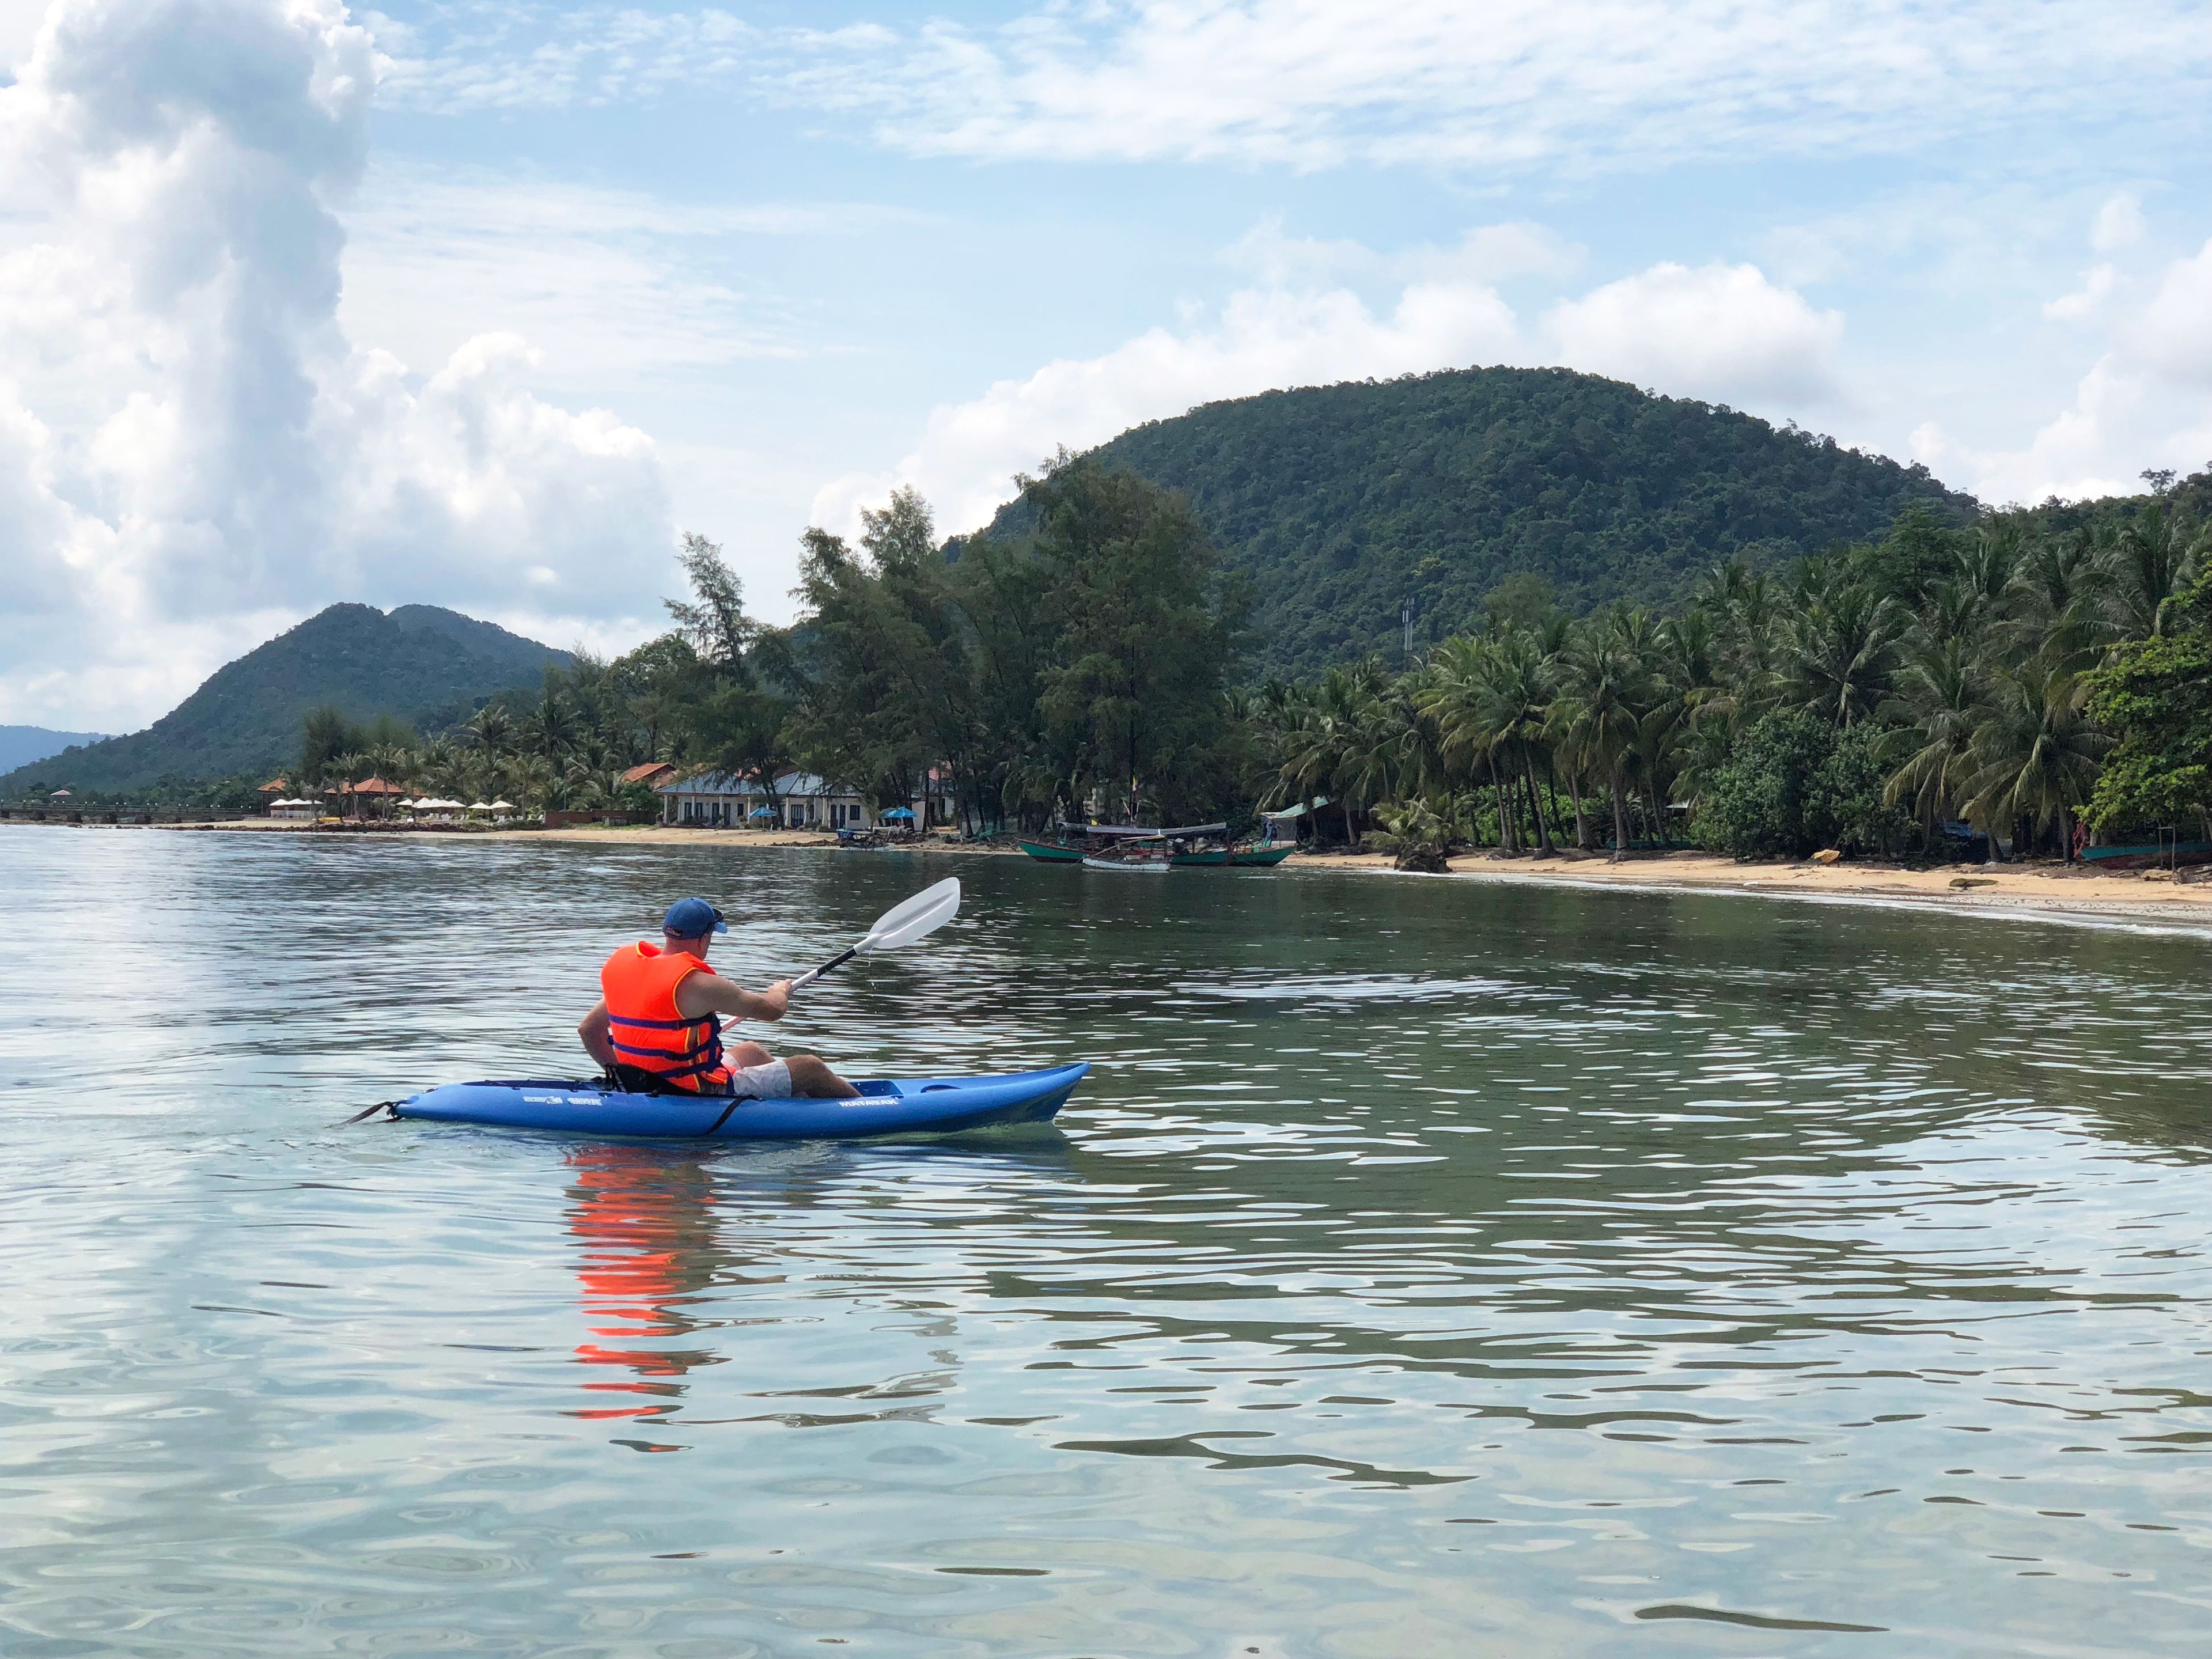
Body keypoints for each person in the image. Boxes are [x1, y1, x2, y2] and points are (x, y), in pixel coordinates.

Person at [577, 897, 858, 1099]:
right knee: (810, 1067)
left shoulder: (631, 976)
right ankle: (863, 1110)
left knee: (751, 1052)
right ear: (703, 939)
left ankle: (796, 1109)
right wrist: (780, 991)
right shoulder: (701, 984)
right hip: (697, 1091)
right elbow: (773, 1011)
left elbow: (588, 1030)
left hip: (646, 1085)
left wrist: (625, 1079)